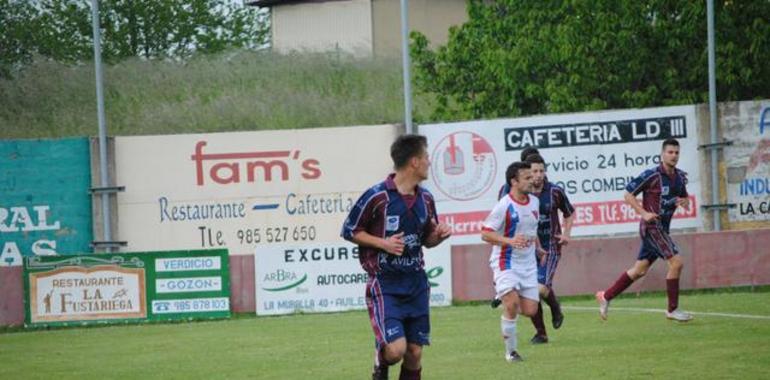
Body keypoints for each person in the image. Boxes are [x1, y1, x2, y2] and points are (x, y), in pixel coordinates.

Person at [341, 134, 452, 380]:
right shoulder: (377, 196)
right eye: (426, 158)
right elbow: (349, 230)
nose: (429, 163)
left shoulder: (426, 199)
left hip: (416, 282)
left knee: (414, 352)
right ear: (414, 162)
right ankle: (380, 362)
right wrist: (383, 243)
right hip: (385, 282)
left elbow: (426, 240)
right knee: (395, 350)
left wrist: (439, 236)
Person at [595, 138, 693, 322]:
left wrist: (685, 201)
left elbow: (685, 198)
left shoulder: (679, 177)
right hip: (651, 227)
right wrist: (644, 212)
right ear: (662, 154)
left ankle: (606, 296)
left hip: (663, 229)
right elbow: (628, 194)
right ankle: (672, 309)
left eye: (676, 153)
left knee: (639, 270)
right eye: (670, 152)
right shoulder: (652, 175)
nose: (673, 156)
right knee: (676, 262)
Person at [481, 161, 543, 362]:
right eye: (527, 177)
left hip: (528, 264)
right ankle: (511, 352)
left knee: (530, 310)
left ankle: (503, 295)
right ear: (514, 182)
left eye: (532, 176)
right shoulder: (504, 205)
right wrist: (509, 241)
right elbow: (485, 233)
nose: (532, 179)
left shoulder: (534, 202)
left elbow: (531, 229)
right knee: (512, 304)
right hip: (505, 262)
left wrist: (539, 247)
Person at [524, 153, 574, 344]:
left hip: (551, 246)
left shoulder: (555, 191)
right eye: (534, 171)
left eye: (541, 171)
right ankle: (541, 333)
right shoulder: (523, 193)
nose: (538, 175)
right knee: (531, 292)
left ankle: (554, 307)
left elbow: (569, 213)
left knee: (540, 289)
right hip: (529, 249)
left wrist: (566, 233)